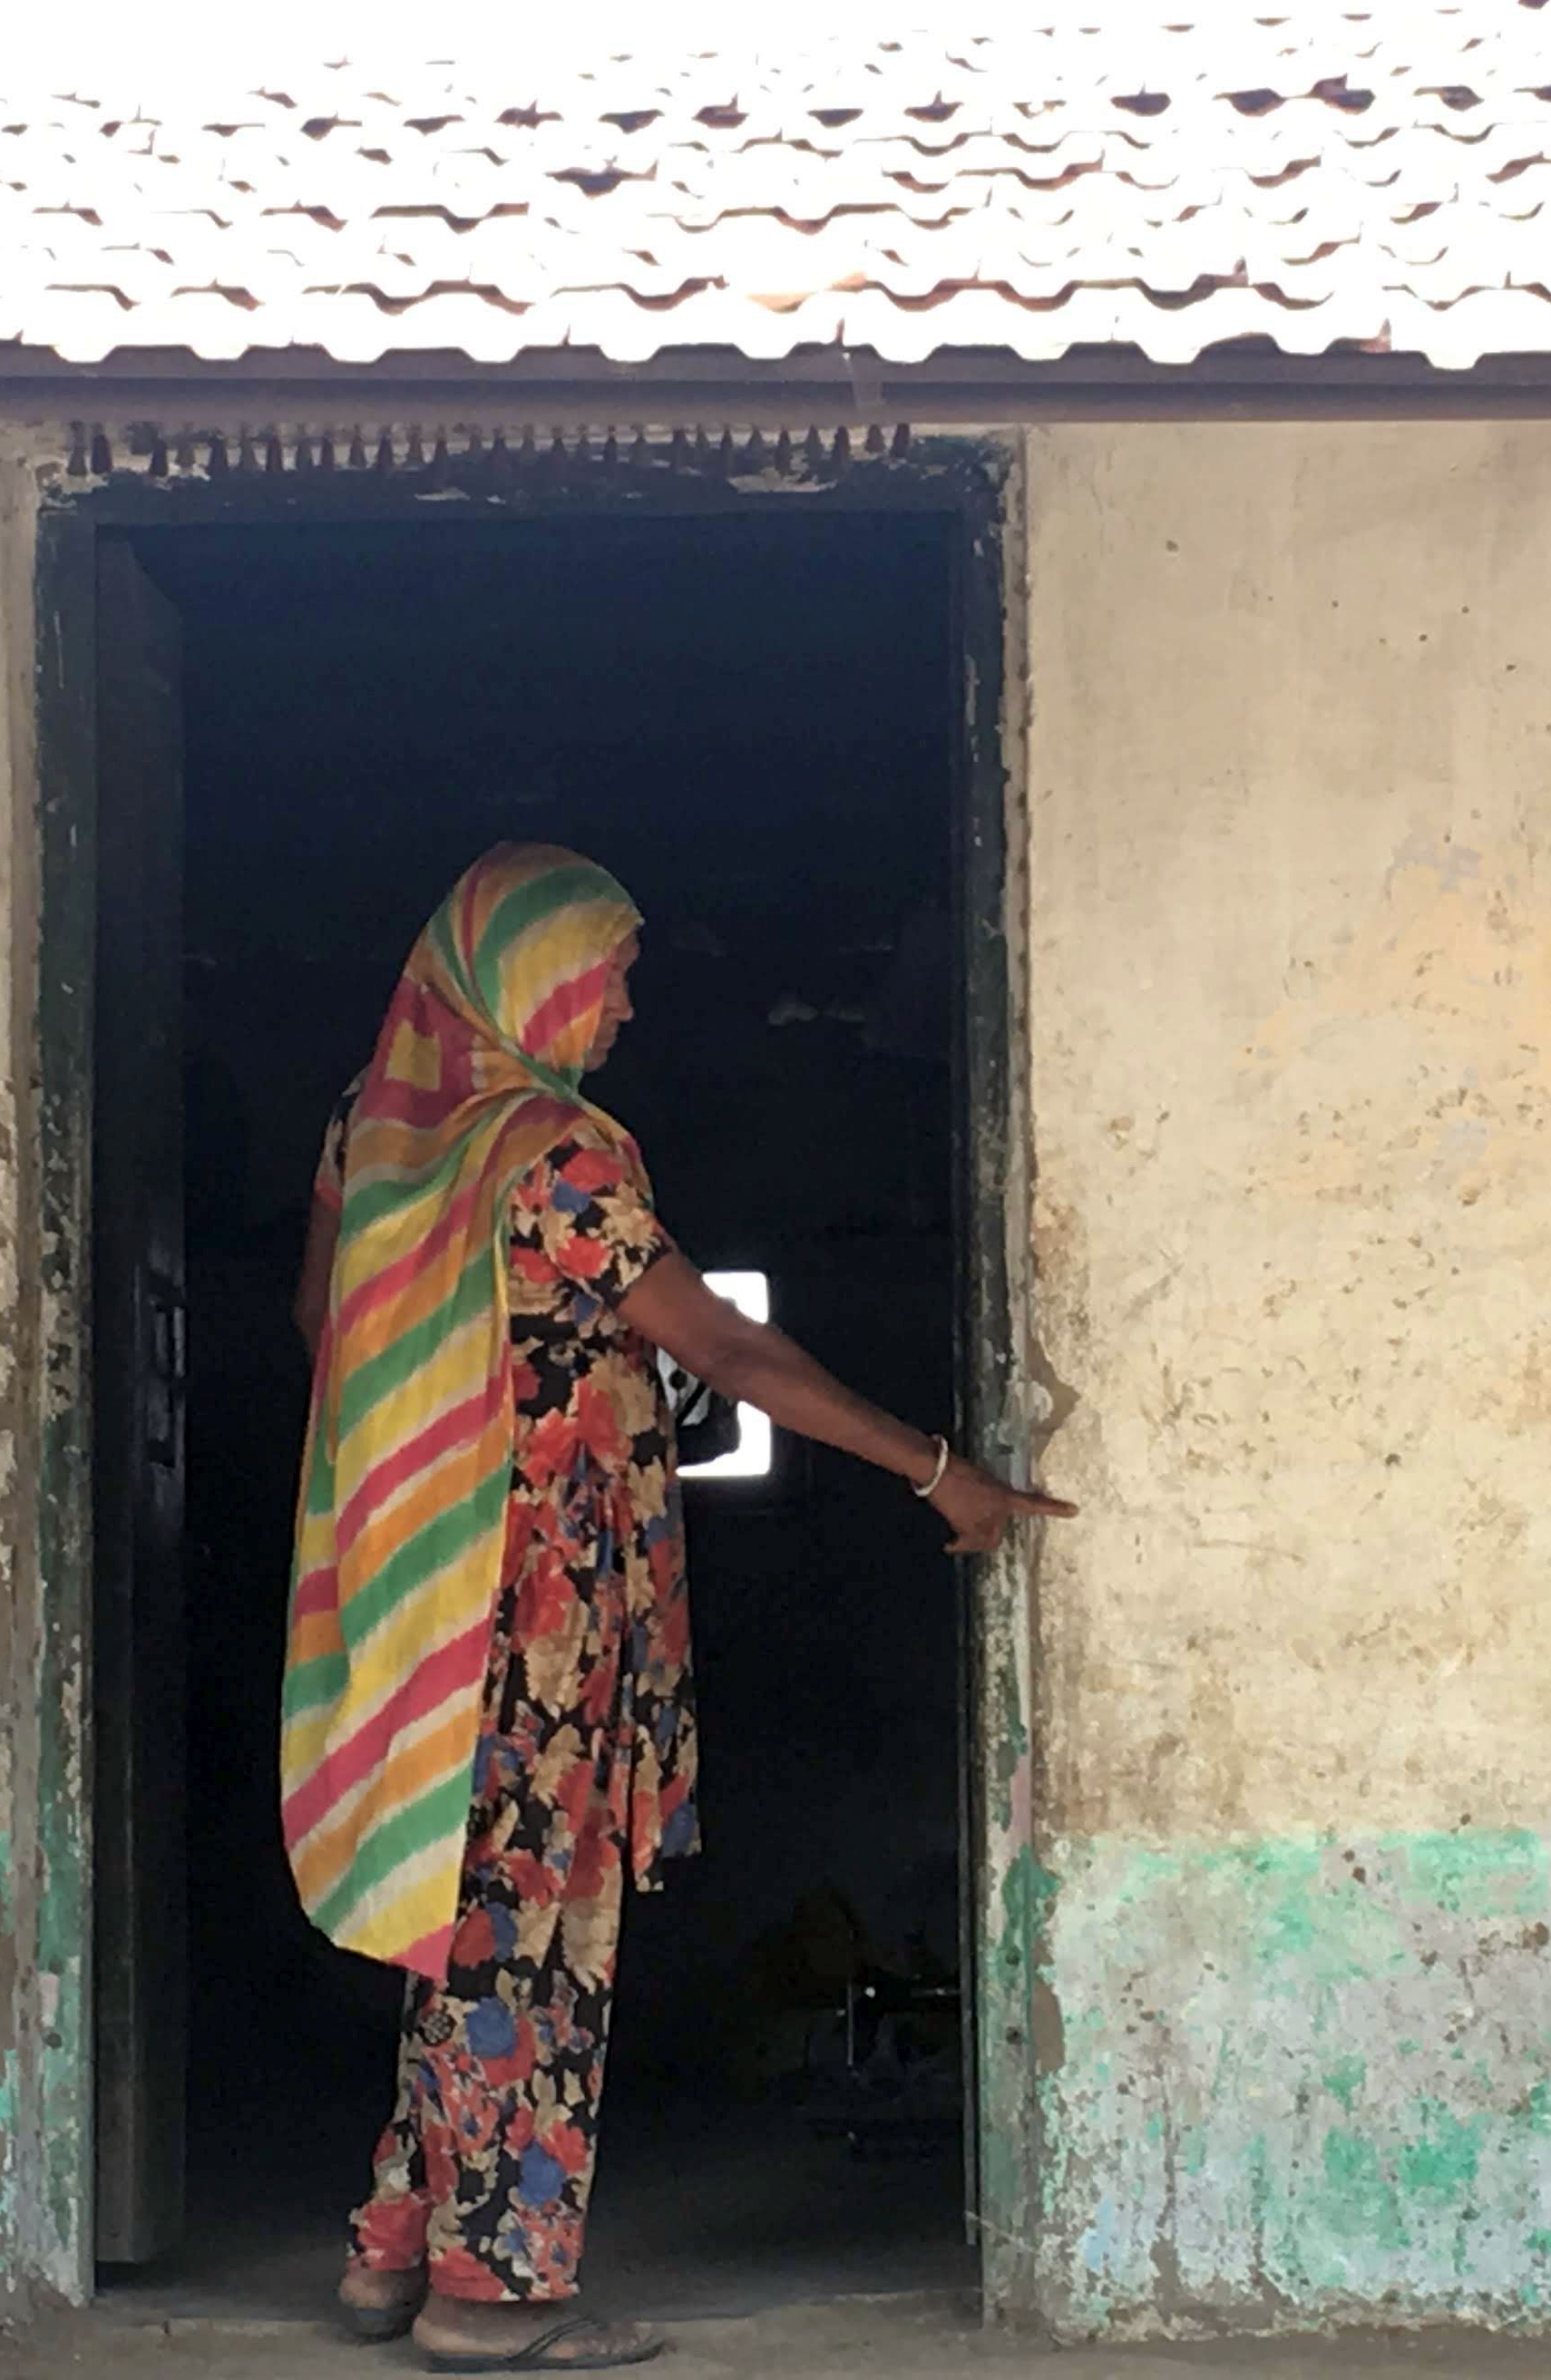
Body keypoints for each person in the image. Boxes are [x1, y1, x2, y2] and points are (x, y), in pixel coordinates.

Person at [285, 844, 1073, 2374]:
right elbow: (724, 1346)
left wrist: (450, 1415)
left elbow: (325, 1324)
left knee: (455, 1930)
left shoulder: (372, 1127)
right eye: (615, 970)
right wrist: (937, 1473)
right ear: (534, 971)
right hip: (536, 1610)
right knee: (535, 1944)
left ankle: (395, 2247)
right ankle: (491, 2295)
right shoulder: (557, 1153)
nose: (632, 1004)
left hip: (407, 1591)